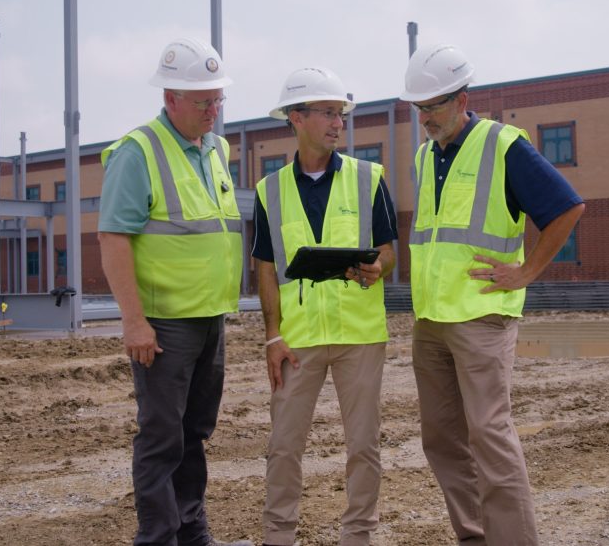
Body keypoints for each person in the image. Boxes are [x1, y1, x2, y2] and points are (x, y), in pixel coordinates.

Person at [401, 44, 585, 546]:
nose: (425, 118)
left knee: (489, 435)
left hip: (483, 318)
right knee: (441, 439)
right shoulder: (424, 156)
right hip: (431, 321)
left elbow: (566, 207)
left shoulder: (504, 146)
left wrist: (527, 271)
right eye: (418, 109)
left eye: (433, 106)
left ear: (463, 99)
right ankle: (475, 536)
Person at [98, 37, 253, 546]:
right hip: (164, 326)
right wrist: (133, 321)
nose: (215, 109)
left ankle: (193, 534)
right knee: (163, 438)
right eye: (204, 101)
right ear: (171, 99)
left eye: (218, 99)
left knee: (194, 434)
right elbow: (114, 238)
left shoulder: (215, 148)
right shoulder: (137, 152)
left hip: (210, 318)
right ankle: (158, 538)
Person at [251, 67, 399, 546]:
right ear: (297, 117)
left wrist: (379, 266)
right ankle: (279, 536)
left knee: (364, 446)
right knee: (284, 445)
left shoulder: (368, 178)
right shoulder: (268, 191)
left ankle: (358, 536)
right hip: (296, 340)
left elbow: (390, 249)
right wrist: (272, 336)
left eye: (341, 114)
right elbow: (266, 268)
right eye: (329, 113)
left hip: (359, 335)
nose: (339, 123)